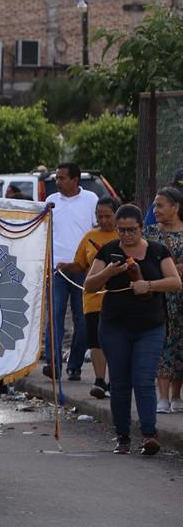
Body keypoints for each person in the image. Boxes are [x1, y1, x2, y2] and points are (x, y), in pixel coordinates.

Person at [84, 203, 181, 455]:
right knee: (120, 382)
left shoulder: (157, 251)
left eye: (132, 230)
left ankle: (149, 435)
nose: (126, 235)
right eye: (122, 230)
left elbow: (175, 282)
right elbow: (89, 286)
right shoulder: (108, 251)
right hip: (115, 327)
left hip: (150, 327)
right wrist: (108, 272)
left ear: (141, 228)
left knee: (144, 380)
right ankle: (123, 436)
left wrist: (148, 285)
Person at [45, 163, 99, 382]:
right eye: (56, 178)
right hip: (57, 270)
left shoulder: (91, 199)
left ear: (75, 179)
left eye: (62, 178)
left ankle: (74, 365)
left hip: (83, 269)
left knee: (83, 320)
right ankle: (54, 364)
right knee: (54, 317)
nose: (57, 182)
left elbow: (97, 231)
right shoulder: (51, 202)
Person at [67, 197, 119, 400]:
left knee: (115, 340)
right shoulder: (89, 236)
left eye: (108, 216)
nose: (103, 220)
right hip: (93, 298)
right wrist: (63, 267)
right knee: (95, 341)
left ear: (116, 215)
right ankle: (99, 380)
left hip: (116, 298)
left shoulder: (124, 236)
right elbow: (80, 264)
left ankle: (115, 381)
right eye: (99, 216)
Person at [146, 186, 183, 414]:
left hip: (181, 299)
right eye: (154, 205)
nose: (155, 210)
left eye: (160, 206)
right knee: (162, 342)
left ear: (175, 207)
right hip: (159, 297)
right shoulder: (150, 233)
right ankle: (162, 397)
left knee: (180, 345)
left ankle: (176, 396)